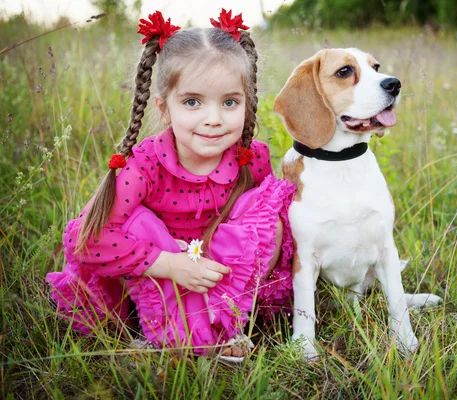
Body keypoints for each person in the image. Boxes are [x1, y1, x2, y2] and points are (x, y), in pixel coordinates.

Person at [46, 9, 295, 361]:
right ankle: (165, 332)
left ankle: (224, 323)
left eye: (229, 102)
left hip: (214, 273)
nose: (213, 119)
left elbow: (267, 238)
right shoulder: (145, 165)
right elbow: (89, 239)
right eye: (192, 102)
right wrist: (167, 263)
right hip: (161, 270)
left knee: (267, 214)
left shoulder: (250, 159)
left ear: (247, 103)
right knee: (138, 224)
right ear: (164, 109)